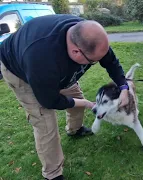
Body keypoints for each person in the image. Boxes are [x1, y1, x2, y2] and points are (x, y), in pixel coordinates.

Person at [0, 14, 129, 180]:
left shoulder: (87, 35)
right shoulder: (41, 58)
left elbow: (111, 62)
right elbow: (50, 100)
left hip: (56, 70)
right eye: (93, 62)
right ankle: (53, 174)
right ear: (76, 51)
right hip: (20, 71)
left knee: (76, 96)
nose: (96, 63)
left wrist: (124, 87)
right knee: (45, 123)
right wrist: (84, 103)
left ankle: (75, 129)